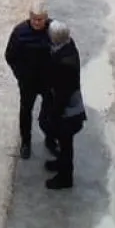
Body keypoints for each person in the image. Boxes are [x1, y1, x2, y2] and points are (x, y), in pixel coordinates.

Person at [40, 20, 85, 190]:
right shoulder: (67, 44)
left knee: (66, 145)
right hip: (67, 105)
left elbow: (62, 95)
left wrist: (54, 113)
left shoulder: (66, 63)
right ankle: (61, 164)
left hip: (67, 112)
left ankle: (65, 178)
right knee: (64, 143)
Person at [5, 3, 52, 159]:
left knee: (51, 111)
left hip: (48, 81)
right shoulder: (20, 33)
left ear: (46, 18)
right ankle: (26, 142)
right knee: (26, 111)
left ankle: (50, 139)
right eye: (33, 19)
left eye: (40, 19)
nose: (36, 22)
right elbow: (10, 56)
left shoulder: (54, 30)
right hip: (28, 82)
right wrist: (20, 75)